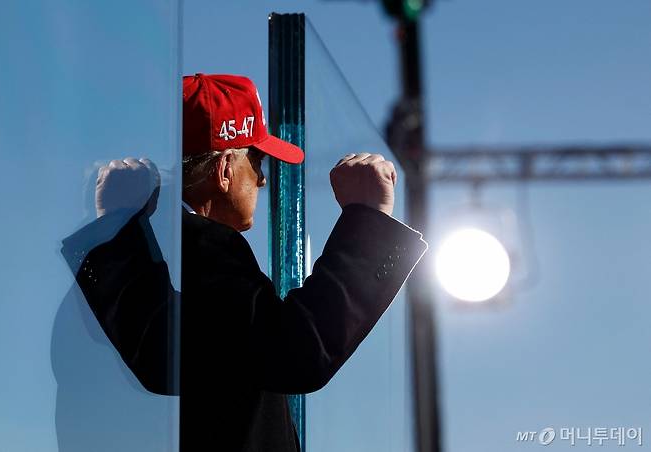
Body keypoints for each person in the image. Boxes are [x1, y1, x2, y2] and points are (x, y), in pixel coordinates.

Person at [61, 73, 428, 452]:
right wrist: (368, 220)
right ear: (224, 171)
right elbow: (298, 350)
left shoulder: (136, 255)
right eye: (257, 162)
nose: (263, 181)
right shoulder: (202, 248)